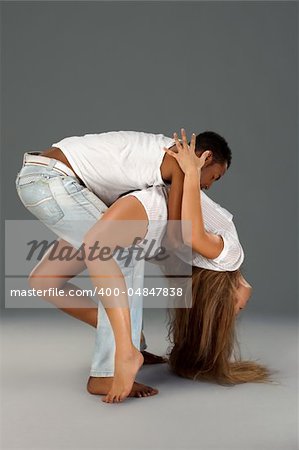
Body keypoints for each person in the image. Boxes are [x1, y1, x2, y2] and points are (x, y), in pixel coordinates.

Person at [15, 129, 231, 402]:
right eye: (214, 177)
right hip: (52, 182)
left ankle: (128, 340)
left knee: (46, 280)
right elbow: (178, 236)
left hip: (39, 179)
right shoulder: (178, 160)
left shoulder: (161, 152)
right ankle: (109, 369)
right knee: (122, 253)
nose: (209, 186)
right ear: (206, 157)